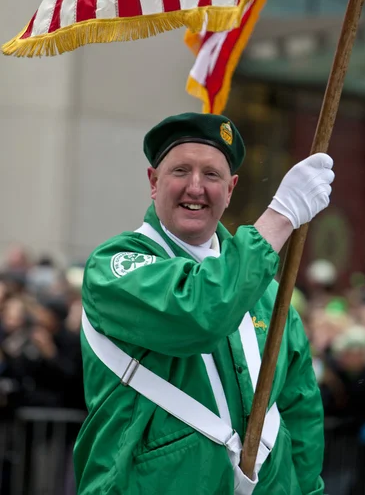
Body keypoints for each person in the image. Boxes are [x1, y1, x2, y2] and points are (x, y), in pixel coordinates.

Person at [74, 112, 335, 495]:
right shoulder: (112, 268)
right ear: (153, 182)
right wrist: (280, 218)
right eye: (181, 171)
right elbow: (200, 311)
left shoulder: (266, 296)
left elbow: (301, 413)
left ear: (230, 189)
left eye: (211, 175)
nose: (195, 187)